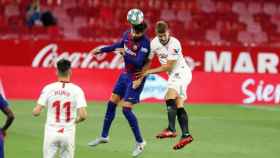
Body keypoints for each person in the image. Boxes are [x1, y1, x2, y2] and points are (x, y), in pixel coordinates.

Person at [87, 21, 151, 157]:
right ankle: (104, 136)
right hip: (125, 74)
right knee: (111, 102)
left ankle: (140, 142)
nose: (137, 35)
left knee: (126, 109)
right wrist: (102, 50)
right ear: (132, 29)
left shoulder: (145, 43)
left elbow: (139, 62)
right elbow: (118, 45)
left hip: (136, 77)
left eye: (140, 33)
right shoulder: (127, 34)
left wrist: (125, 54)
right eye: (136, 32)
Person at [138, 21, 193, 150]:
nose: (162, 38)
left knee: (169, 96)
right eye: (160, 36)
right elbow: (149, 60)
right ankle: (186, 135)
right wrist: (142, 72)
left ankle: (171, 129)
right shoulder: (154, 43)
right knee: (178, 104)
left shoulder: (175, 43)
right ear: (156, 34)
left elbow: (168, 66)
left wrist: (148, 72)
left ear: (168, 32)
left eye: (164, 35)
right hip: (174, 75)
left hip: (181, 72)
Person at [32, 59, 87, 158]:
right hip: (68, 131)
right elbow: (83, 116)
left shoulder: (48, 88)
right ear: (70, 71)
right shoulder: (77, 90)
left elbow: (36, 112)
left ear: (56, 71)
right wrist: (74, 121)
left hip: (51, 131)